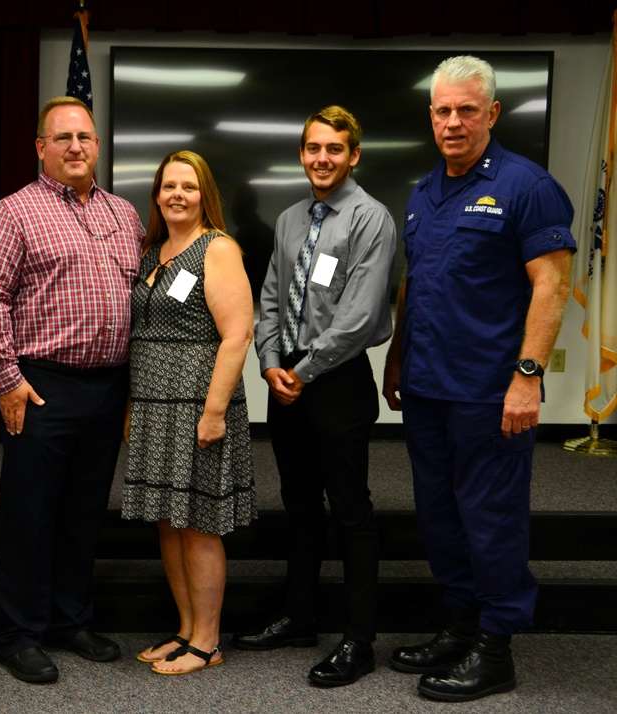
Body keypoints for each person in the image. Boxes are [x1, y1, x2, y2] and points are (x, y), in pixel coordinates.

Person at [382, 55, 575, 702]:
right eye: (443, 110)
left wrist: (528, 376)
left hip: (490, 392)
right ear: (431, 116)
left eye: (467, 109)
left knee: (490, 519)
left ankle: (496, 648)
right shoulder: (423, 191)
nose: (454, 122)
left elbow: (552, 283)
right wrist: (397, 358)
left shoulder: (528, 186)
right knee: (439, 517)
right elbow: (417, 284)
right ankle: (459, 625)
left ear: (491, 113)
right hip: (429, 386)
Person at [0, 96, 145, 684]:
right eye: (63, 137)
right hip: (40, 385)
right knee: (30, 514)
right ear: (40, 147)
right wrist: (7, 381)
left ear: (97, 146)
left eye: (86, 137)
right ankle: (18, 633)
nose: (76, 147)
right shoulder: (12, 213)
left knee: (83, 513)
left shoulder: (125, 214)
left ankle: (70, 620)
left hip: (107, 385)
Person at [234, 106, 396, 688]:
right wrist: (272, 364)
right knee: (300, 507)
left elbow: (358, 318)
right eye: (312, 148)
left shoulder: (370, 218)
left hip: (338, 383)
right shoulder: (290, 219)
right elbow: (271, 298)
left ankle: (359, 639)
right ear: (301, 154)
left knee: (351, 512)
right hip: (288, 385)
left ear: (354, 155)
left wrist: (303, 371)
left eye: (334, 148)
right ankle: (300, 617)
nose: (321, 158)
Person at [123, 151, 255, 675]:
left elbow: (237, 334)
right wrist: (134, 406)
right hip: (155, 406)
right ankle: (184, 629)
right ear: (156, 193)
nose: (178, 194)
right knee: (169, 522)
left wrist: (215, 411)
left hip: (199, 405)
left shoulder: (217, 249)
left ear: (206, 196)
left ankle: (207, 641)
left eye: (190, 186)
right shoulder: (153, 250)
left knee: (199, 524)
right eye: (169, 185)